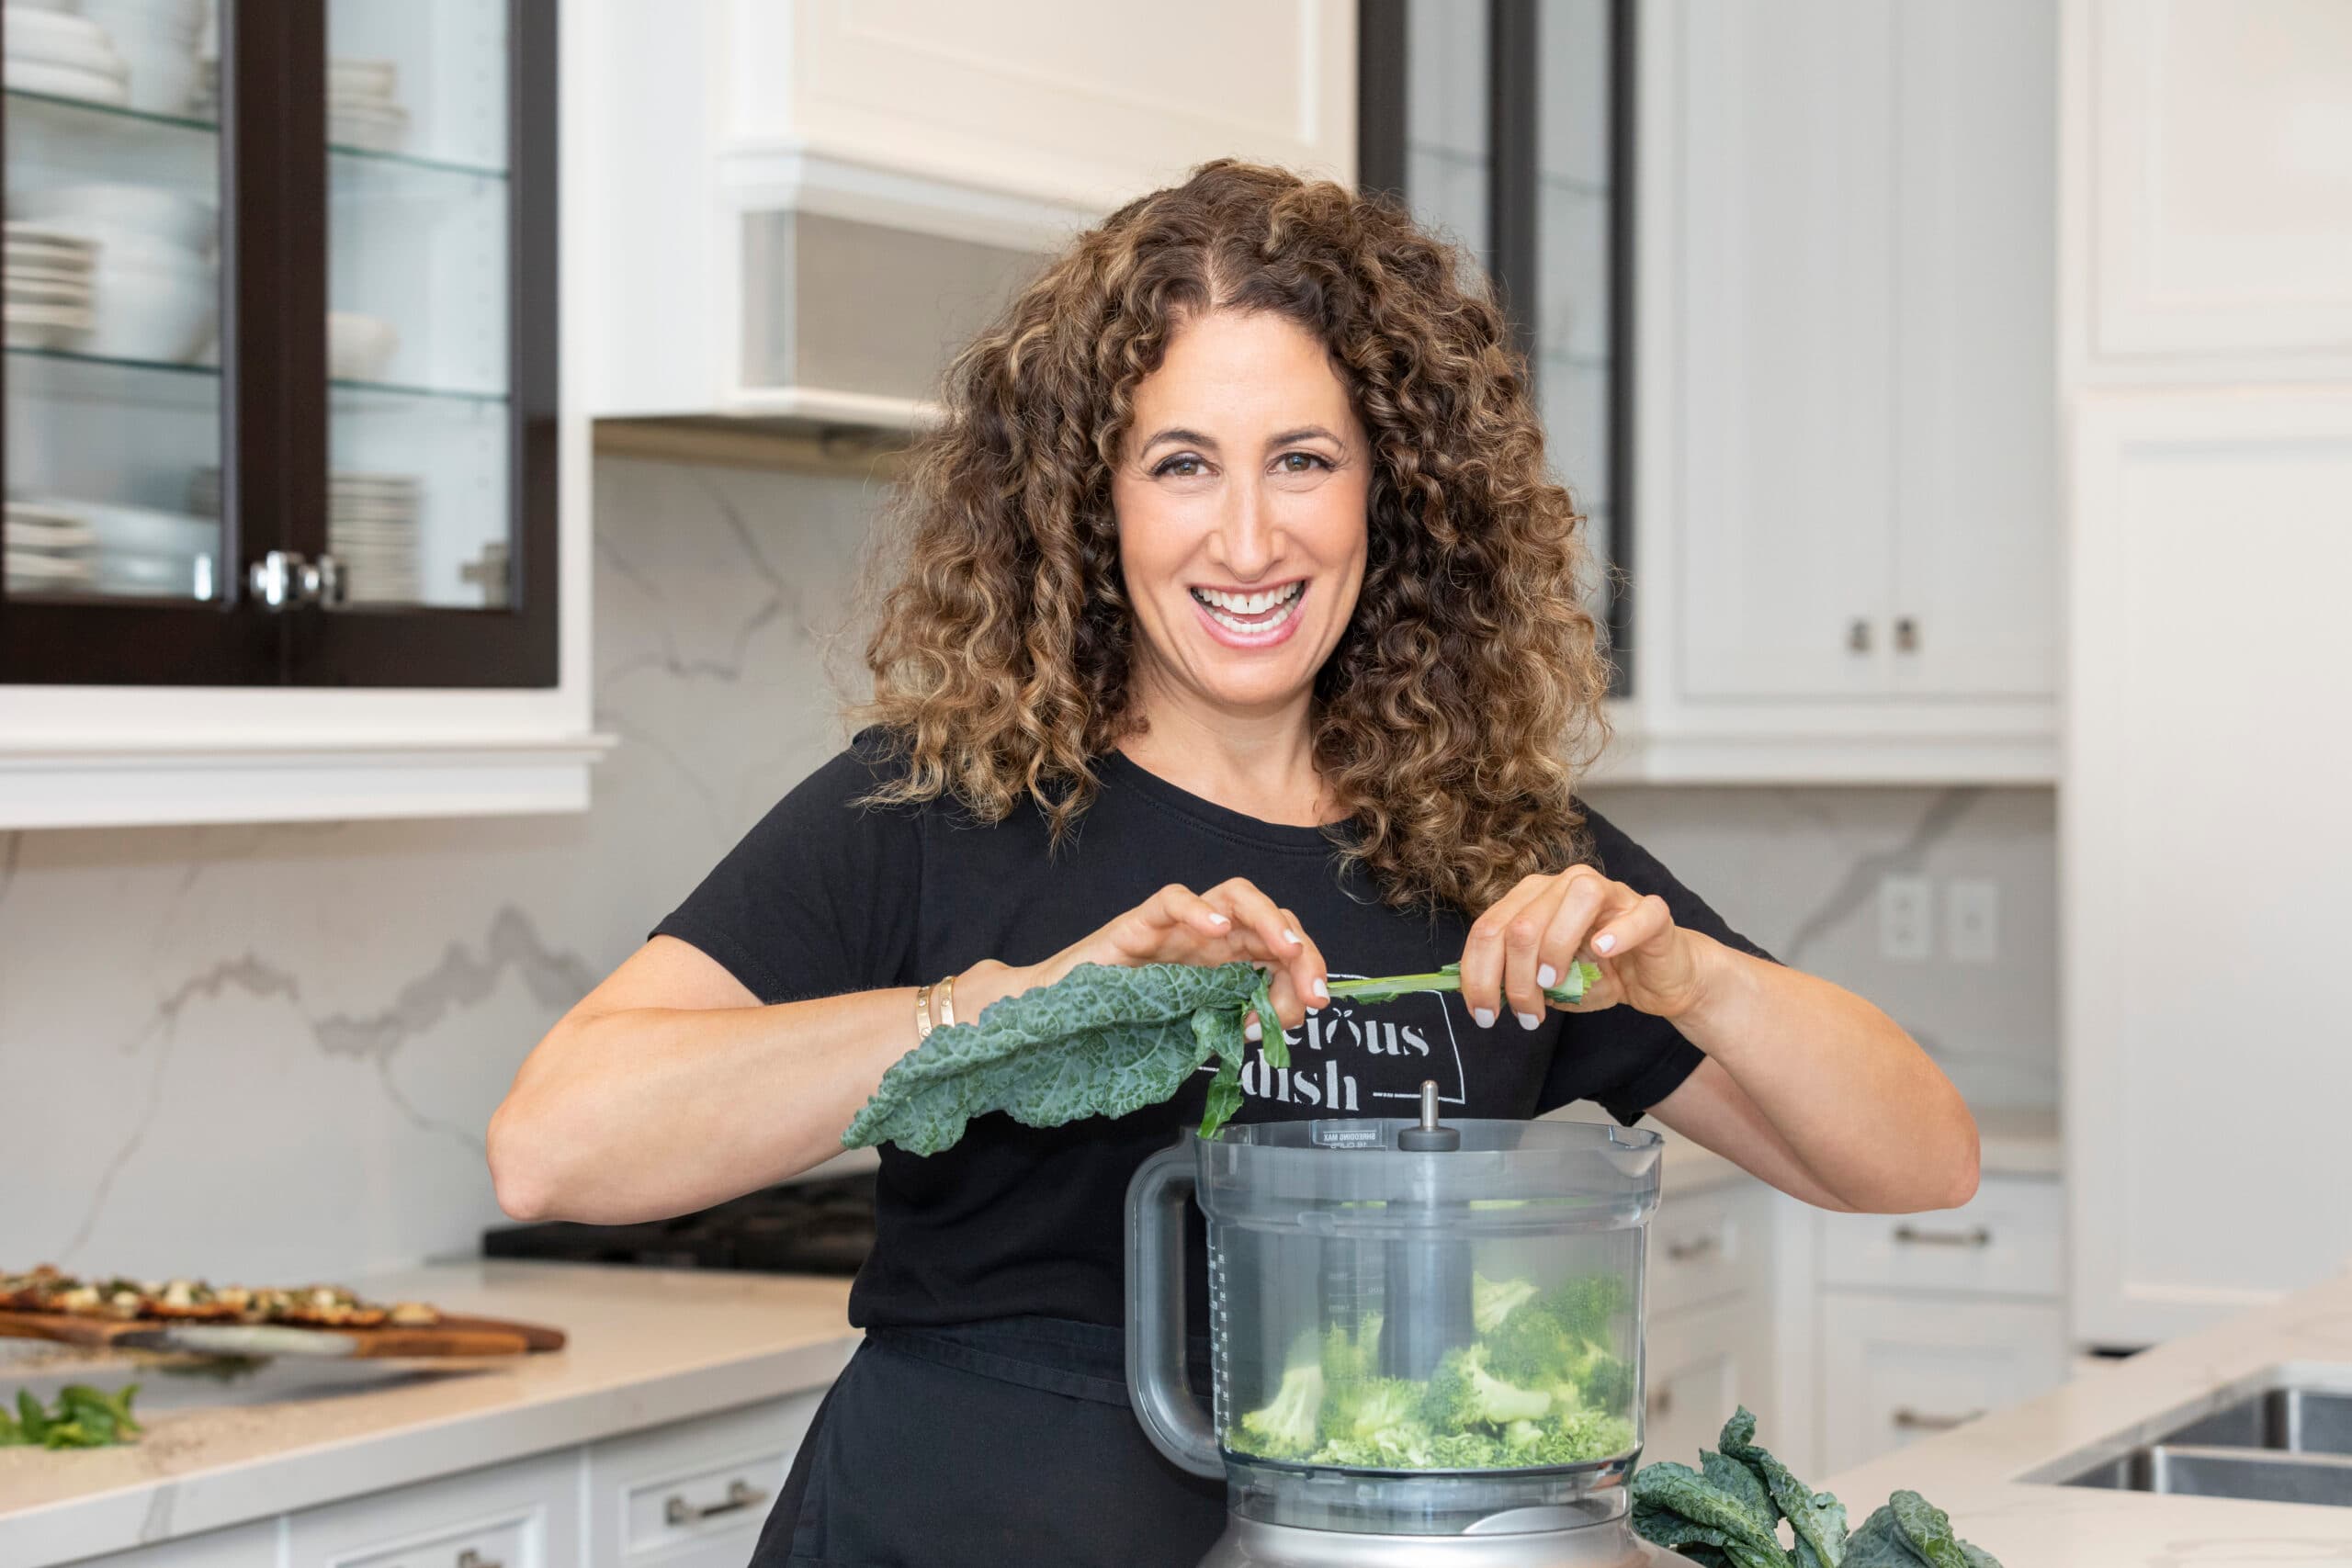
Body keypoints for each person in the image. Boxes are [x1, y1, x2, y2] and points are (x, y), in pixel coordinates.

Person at [487, 160, 1978, 1565]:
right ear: (1095, 499)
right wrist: (1012, 1009)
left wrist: (1697, 978)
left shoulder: (1491, 844)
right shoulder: (942, 803)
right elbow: (556, 1145)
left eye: (1304, 461)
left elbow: (1917, 1160)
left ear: (1393, 492)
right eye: (1183, 464)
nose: (1250, 539)